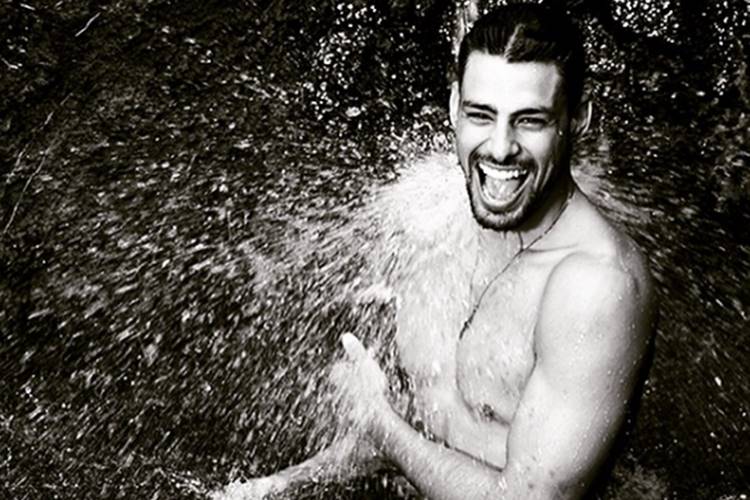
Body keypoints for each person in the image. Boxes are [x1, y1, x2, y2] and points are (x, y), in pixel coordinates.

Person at [215, 3, 656, 499]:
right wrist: (273, 488)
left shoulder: (596, 285)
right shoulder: (440, 229)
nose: (500, 148)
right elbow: (431, 435)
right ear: (453, 107)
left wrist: (380, 425)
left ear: (577, 119)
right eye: (481, 115)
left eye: (529, 120)